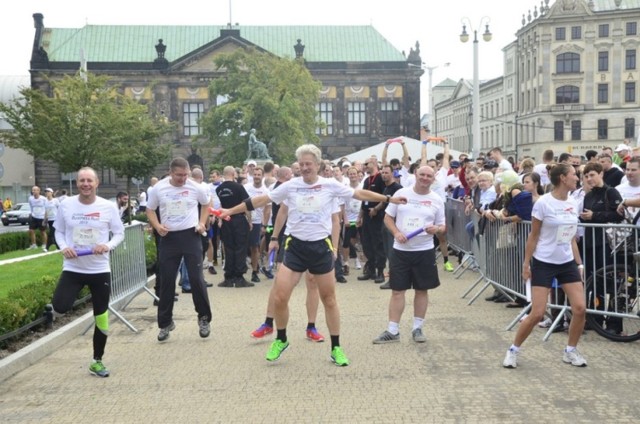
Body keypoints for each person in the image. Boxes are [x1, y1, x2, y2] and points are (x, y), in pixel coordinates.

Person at [221, 144, 407, 366]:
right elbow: (262, 200)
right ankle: (281, 339)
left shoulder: (330, 185)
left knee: (329, 299)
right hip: (295, 247)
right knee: (280, 296)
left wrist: (388, 199)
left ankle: (336, 347)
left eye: (309, 164)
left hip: (320, 248)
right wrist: (229, 211)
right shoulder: (290, 186)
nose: (305, 167)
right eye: (302, 164)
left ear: (318, 165)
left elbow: (359, 193)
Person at [503, 163, 587, 369]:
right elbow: (533, 236)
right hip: (544, 262)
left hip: (566, 262)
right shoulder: (543, 203)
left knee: (580, 308)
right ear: (563, 179)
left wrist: (579, 264)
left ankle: (570, 350)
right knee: (538, 313)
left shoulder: (574, 202)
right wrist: (526, 263)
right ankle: (513, 350)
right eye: (574, 175)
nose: (577, 178)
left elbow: (571, 237)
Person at [52, 167, 125, 377]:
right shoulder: (66, 205)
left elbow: (119, 233)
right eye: (82, 180)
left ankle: (97, 361)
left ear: (97, 183)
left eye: (89, 181)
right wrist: (63, 246)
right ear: (77, 183)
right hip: (73, 268)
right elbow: (59, 230)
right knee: (61, 306)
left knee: (101, 316)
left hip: (99, 270)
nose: (85, 184)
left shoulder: (107, 207)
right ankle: (52, 310)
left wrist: (108, 246)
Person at [372, 165, 445, 345]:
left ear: (433, 179)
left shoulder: (437, 199)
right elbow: (387, 218)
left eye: (429, 176)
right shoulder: (402, 194)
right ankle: (392, 330)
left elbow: (443, 226)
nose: (425, 178)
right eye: (422, 174)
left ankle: (417, 328)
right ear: (415, 175)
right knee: (397, 291)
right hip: (401, 250)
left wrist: (437, 229)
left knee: (422, 290)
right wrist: (396, 232)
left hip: (424, 251)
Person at [146, 158, 213, 342]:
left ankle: (204, 318)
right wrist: (157, 225)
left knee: (196, 278)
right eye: (179, 175)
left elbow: (207, 203)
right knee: (167, 280)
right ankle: (165, 323)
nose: (183, 179)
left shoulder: (195, 187)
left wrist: (201, 222)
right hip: (169, 237)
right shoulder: (158, 188)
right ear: (170, 172)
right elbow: (150, 209)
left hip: (190, 236)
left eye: (186, 175)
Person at [216, 166, 253, 287]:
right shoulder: (239, 187)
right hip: (238, 219)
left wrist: (220, 218)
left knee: (228, 247)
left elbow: (221, 204)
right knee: (240, 247)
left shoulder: (219, 189)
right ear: (233, 173)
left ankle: (229, 276)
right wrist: (250, 220)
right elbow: (246, 204)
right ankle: (239, 276)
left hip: (226, 219)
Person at [244, 167, 270, 283]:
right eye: (255, 174)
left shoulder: (266, 191)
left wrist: (264, 225)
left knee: (255, 247)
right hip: (244, 221)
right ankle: (240, 270)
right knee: (242, 246)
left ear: (262, 176)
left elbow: (267, 210)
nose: (256, 177)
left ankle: (255, 271)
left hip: (257, 222)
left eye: (259, 175)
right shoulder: (246, 188)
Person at [27, 186, 48, 251]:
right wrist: (31, 214)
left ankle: (44, 244)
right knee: (31, 230)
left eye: (35, 190)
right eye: (33, 190)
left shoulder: (44, 199)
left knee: (42, 232)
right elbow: (30, 207)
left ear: (39, 191)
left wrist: (45, 218)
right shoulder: (30, 198)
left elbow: (47, 208)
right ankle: (34, 245)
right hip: (34, 216)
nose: (34, 191)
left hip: (41, 217)